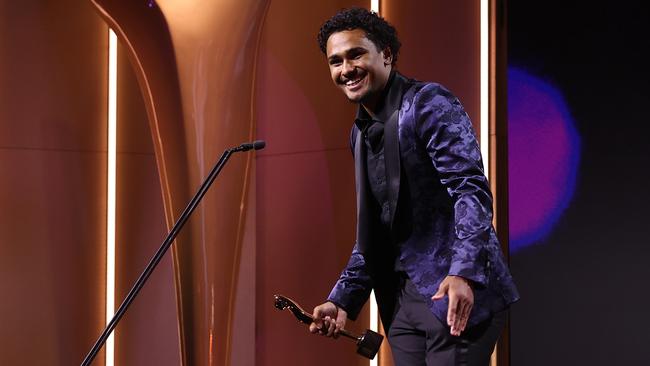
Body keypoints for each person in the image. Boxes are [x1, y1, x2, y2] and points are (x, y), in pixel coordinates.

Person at [308, 8, 519, 366]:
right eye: (335, 61)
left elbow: (470, 191)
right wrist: (342, 299)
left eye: (356, 54)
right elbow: (376, 230)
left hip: (453, 293)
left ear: (386, 55)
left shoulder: (428, 104)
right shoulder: (359, 134)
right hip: (402, 304)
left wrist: (463, 272)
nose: (346, 69)